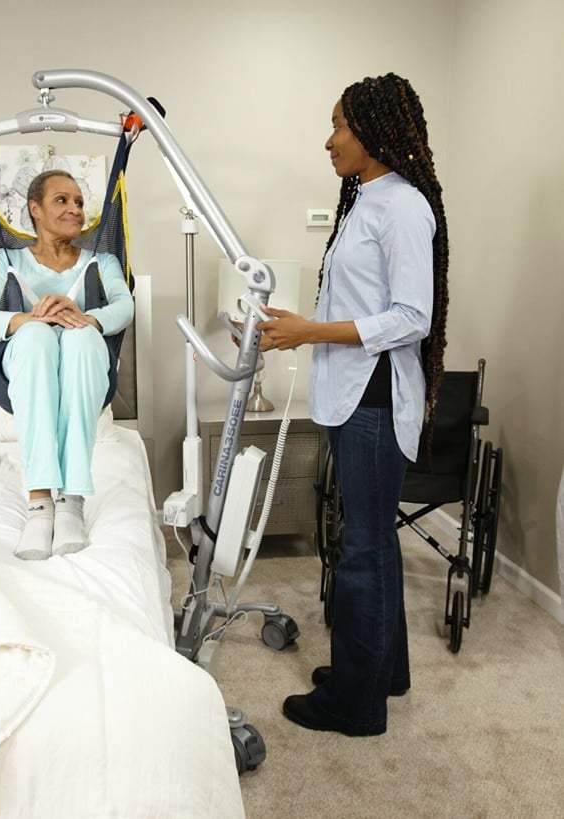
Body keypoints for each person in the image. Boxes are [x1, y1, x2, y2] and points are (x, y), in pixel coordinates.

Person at [257, 73, 449, 736]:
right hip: (353, 396)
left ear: (371, 130)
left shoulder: (398, 206)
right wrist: (298, 320)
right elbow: (356, 306)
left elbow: (409, 317)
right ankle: (379, 674)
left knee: (363, 548)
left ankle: (355, 706)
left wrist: (306, 332)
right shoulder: (365, 202)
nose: (328, 140)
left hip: (371, 401)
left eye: (338, 125)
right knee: (373, 543)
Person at [0, 170, 134, 561]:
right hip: (26, 361)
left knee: (78, 337)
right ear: (35, 209)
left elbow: (123, 306)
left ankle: (71, 500)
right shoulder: (5, 261)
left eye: (78, 202)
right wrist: (29, 320)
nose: (75, 209)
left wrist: (85, 317)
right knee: (37, 337)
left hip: (86, 361)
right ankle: (41, 501)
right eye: (62, 200)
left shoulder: (103, 261)